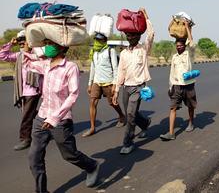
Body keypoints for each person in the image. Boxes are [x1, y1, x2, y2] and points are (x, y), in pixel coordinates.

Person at [25, 39, 100, 192]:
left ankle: (92, 166)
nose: (47, 47)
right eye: (46, 44)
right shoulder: (45, 64)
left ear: (62, 47)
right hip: (42, 117)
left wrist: (55, 118)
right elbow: (27, 62)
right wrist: (26, 46)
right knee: (34, 157)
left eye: (50, 44)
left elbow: (73, 95)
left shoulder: (70, 68)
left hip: (60, 121)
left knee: (69, 155)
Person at [112, 8, 154, 155]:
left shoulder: (144, 49)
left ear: (138, 36)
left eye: (133, 35)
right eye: (128, 35)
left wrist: (146, 15)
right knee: (131, 114)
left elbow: (151, 34)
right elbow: (120, 72)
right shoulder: (123, 53)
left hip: (139, 87)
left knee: (130, 115)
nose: (130, 37)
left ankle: (127, 143)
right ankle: (145, 123)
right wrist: (116, 90)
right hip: (126, 88)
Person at [0, 30, 42, 151]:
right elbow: (2, 55)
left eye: (24, 41)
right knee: (32, 113)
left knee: (26, 116)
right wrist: (10, 44)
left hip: (33, 90)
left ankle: (25, 139)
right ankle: (47, 126)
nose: (22, 44)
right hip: (22, 90)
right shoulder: (19, 55)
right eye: (20, 42)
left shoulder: (37, 55)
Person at [160, 21, 197, 141]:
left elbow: (192, 44)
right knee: (173, 108)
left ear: (184, 46)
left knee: (190, 106)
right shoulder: (174, 57)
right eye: (177, 45)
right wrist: (170, 86)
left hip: (188, 85)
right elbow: (172, 72)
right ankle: (171, 133)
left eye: (181, 45)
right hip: (176, 85)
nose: (179, 47)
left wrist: (187, 27)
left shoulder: (189, 54)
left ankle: (191, 122)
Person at [83, 33, 125, 137]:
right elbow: (93, 68)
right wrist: (90, 83)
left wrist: (115, 84)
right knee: (93, 102)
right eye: (96, 39)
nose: (97, 42)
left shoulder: (110, 51)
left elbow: (115, 68)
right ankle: (92, 127)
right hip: (97, 81)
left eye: (100, 40)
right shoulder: (94, 52)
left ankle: (121, 116)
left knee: (112, 103)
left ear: (105, 40)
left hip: (109, 81)